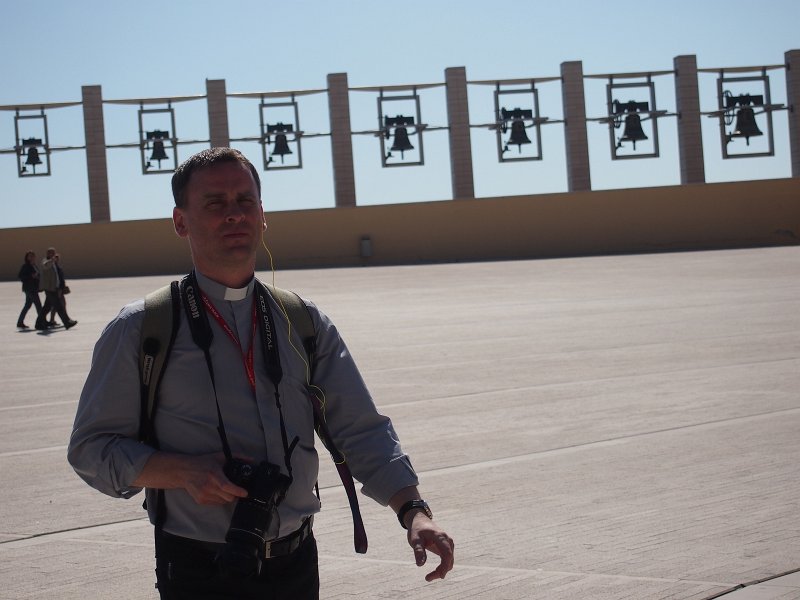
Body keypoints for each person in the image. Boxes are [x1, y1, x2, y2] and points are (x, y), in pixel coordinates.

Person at [68, 147, 454, 599]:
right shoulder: (142, 328)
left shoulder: (303, 321)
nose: (234, 214)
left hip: (295, 565)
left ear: (263, 215)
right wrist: (179, 471)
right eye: (215, 203)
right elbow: (91, 448)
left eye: (245, 201)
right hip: (197, 569)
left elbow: (360, 428)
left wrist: (413, 511)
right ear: (180, 221)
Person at [36, 247, 76, 331]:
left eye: (54, 253)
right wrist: (52, 260)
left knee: (46, 308)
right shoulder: (45, 261)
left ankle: (38, 324)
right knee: (59, 306)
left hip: (54, 288)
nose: (53, 254)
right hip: (49, 289)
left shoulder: (54, 263)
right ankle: (67, 322)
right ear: (48, 253)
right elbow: (45, 266)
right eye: (51, 253)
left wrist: (60, 287)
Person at [17, 250, 43, 329]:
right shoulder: (26, 266)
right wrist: (31, 276)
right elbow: (20, 276)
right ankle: (42, 322)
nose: (32, 257)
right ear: (27, 257)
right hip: (30, 288)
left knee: (27, 305)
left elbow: (37, 275)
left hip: (33, 288)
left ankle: (20, 322)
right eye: (30, 256)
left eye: (33, 255)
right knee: (38, 305)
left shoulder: (34, 265)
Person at [47, 252, 69, 326]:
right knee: (57, 305)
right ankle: (65, 320)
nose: (56, 259)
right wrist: (59, 289)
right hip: (56, 290)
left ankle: (64, 320)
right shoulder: (52, 268)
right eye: (55, 258)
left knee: (60, 305)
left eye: (57, 258)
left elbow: (60, 279)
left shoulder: (57, 267)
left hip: (59, 289)